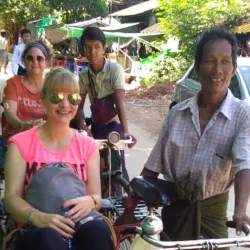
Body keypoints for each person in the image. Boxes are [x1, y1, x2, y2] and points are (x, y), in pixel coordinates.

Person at [141, 28, 250, 246]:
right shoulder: (177, 114)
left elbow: (243, 162)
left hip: (213, 221)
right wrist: (131, 204)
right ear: (198, 67)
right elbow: (153, 167)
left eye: (225, 62)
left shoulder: (242, 115)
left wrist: (240, 210)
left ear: (233, 68)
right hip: (174, 218)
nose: (217, 70)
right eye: (210, 61)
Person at [4, 67, 113, 250]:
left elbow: (96, 196)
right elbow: (11, 197)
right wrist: (38, 217)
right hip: (35, 228)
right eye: (56, 97)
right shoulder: (20, 144)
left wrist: (90, 201)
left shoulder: (88, 145)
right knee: (48, 240)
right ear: (43, 98)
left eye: (72, 98)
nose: (65, 105)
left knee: (98, 232)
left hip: (77, 224)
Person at [75, 27, 137, 181]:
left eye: (97, 47)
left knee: (117, 165)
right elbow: (78, 107)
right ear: (83, 49)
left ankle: (121, 197)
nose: (92, 52)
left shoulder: (114, 69)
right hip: (96, 125)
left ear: (103, 48)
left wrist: (126, 131)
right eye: (88, 48)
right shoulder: (83, 75)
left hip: (113, 125)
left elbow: (119, 102)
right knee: (92, 166)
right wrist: (82, 126)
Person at [2, 41, 48, 138]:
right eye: (30, 58)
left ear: (46, 62)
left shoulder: (52, 85)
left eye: (39, 58)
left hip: (44, 137)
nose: (35, 61)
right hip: (17, 135)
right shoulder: (13, 84)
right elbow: (10, 115)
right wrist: (23, 126)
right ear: (24, 61)